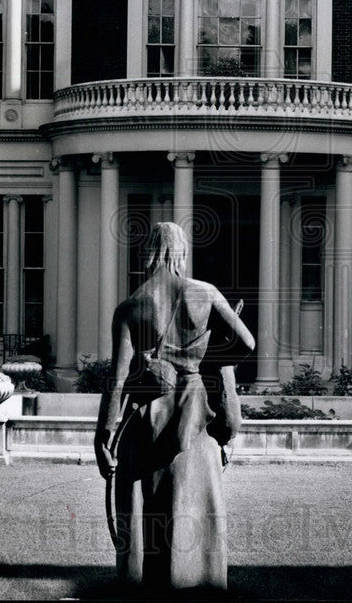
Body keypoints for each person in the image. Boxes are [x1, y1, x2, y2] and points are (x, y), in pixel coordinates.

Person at [94, 222, 255, 590]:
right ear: (180, 252)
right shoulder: (205, 292)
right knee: (193, 511)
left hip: (144, 422)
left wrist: (102, 437)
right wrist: (199, 361)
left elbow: (117, 379)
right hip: (195, 420)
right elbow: (246, 342)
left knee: (145, 519)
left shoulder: (131, 306)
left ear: (148, 253)